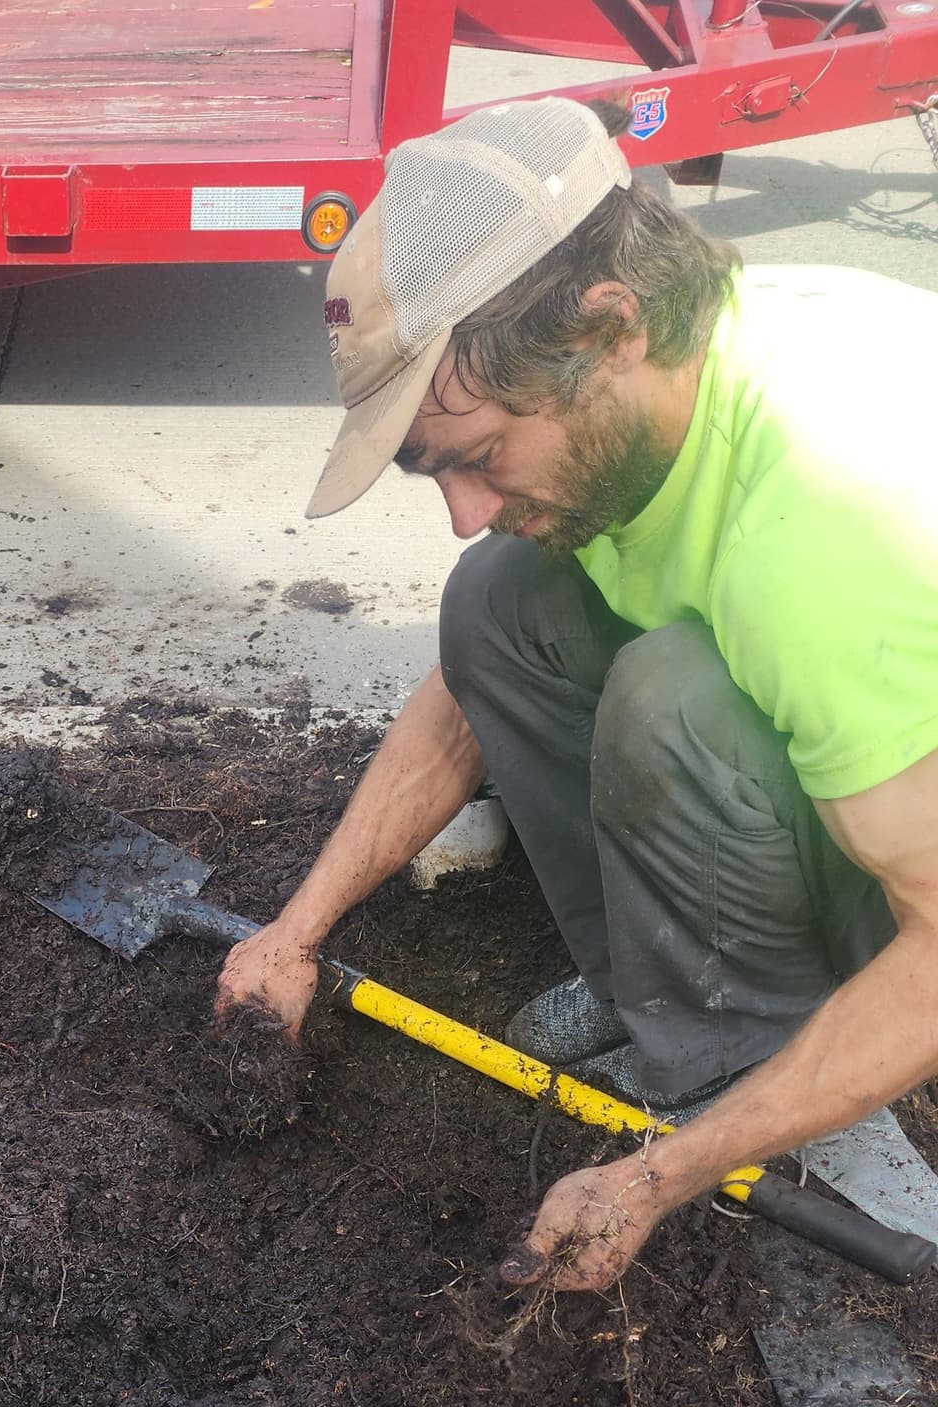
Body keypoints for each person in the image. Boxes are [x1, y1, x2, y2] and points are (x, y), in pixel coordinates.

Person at [215, 95, 938, 1291]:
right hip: (869, 759)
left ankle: (746, 1076)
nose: (462, 505)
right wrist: (294, 932)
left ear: (608, 329)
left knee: (674, 698)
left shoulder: (819, 530)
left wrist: (661, 1175)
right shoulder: (648, 407)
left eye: (482, 454)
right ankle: (659, 998)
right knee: (496, 599)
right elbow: (462, 692)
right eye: (434, 470)